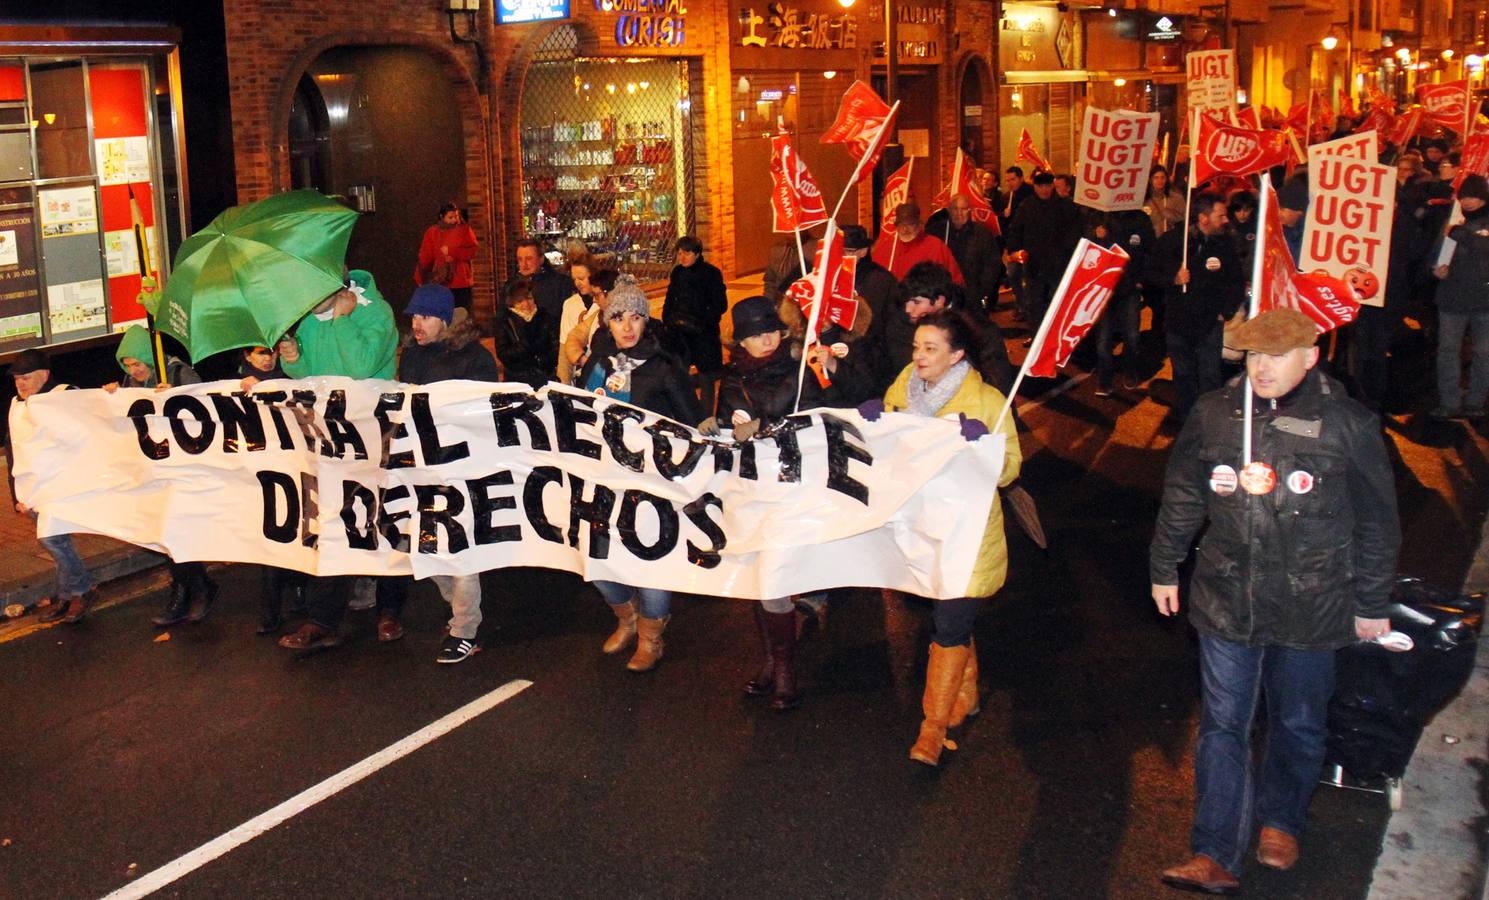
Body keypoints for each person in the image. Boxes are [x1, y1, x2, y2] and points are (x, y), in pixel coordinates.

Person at [1150, 308, 1400, 895]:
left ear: (1311, 356)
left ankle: (1281, 820)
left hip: (1314, 601)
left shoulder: (1348, 424)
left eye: (1277, 355)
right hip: (1226, 596)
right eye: (1254, 355)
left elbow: (1377, 523)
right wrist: (1165, 564)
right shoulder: (1215, 414)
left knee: (1298, 720)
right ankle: (1215, 850)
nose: (1261, 367)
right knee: (1223, 725)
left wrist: (1369, 600)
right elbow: (1184, 490)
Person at [859, 309, 1021, 765]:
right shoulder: (902, 388)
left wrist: (983, 447)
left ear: (957, 354)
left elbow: (1010, 469)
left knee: (948, 626)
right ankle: (964, 693)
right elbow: (890, 447)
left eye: (931, 348)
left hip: (966, 540)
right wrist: (875, 423)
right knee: (953, 622)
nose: (919, 356)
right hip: (920, 532)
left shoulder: (988, 401)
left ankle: (931, 728)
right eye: (916, 347)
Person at [701, 296, 871, 710]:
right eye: (753, 335)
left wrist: (774, 425)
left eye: (770, 331)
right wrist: (714, 426)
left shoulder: (800, 369)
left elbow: (842, 406)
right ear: (739, 341)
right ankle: (772, 660)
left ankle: (783, 669)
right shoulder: (734, 378)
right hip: (755, 494)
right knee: (763, 582)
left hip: (795, 490)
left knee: (775, 578)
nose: (764, 340)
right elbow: (730, 428)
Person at [366, 283, 501, 663]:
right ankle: (458, 612)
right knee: (426, 549)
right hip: (420, 466)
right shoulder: (412, 355)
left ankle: (464, 629)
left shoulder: (475, 358)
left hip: (460, 468)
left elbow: (489, 413)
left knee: (460, 550)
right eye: (412, 316)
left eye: (424, 316)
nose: (417, 323)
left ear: (443, 318)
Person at [577, 276, 703, 672]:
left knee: (651, 562)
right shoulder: (598, 366)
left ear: (646, 321)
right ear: (607, 323)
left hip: (653, 484)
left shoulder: (664, 367)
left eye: (635, 317)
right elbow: (581, 419)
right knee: (598, 558)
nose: (628, 326)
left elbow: (692, 425)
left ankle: (651, 637)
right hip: (605, 480)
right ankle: (627, 618)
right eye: (618, 318)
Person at [104, 326, 216, 627]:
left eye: (138, 363)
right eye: (127, 365)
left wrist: (179, 398)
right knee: (167, 534)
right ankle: (193, 588)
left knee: (179, 531)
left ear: (150, 359)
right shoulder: (131, 383)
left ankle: (193, 591)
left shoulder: (179, 375)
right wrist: (113, 398)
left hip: (186, 470)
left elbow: (207, 411)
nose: (134, 370)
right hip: (157, 471)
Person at [6, 349, 94, 624]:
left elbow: (94, 428)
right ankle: (69, 595)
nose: (20, 384)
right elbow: (14, 452)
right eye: (17, 379)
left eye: (26, 378)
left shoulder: (66, 396)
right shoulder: (18, 407)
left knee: (53, 539)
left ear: (43, 376)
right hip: (34, 493)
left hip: (62, 488)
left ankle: (79, 591)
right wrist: (16, 497)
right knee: (57, 541)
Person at [1148, 192, 1246, 421]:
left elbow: (1236, 282)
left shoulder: (1224, 244)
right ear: (1203, 218)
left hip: (1210, 323)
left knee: (1210, 375)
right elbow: (1150, 272)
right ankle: (1187, 420)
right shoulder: (1174, 241)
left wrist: (1226, 311)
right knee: (1183, 375)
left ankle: (1208, 422)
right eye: (1220, 215)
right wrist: (1173, 279)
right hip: (1178, 322)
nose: (1225, 220)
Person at [1430, 174, 1489, 418]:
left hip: (1484, 300)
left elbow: (1483, 247)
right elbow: (1435, 251)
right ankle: (1449, 401)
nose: (1468, 201)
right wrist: (1436, 268)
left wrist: (1459, 233)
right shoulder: (1453, 220)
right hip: (1452, 297)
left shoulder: (1468, 225)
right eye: (1464, 196)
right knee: (1447, 351)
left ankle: (1476, 400)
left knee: (1484, 353)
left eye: (1473, 197)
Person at [279, 269, 397, 381]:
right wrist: (295, 359)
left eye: (315, 289)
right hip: (325, 401)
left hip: (370, 401)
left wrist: (341, 320)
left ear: (337, 283)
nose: (309, 299)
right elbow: (305, 377)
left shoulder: (376, 311)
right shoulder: (310, 321)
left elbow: (361, 368)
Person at [1087, 208, 1156, 396]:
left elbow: (1150, 250)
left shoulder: (1141, 218)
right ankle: (1104, 380)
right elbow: (1085, 248)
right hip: (1105, 288)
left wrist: (1141, 279)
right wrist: (1095, 235)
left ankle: (1130, 370)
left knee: (1132, 336)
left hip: (1130, 287)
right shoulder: (1099, 215)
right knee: (1103, 339)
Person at [1005, 171, 1083, 333]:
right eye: (1040, 186)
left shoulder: (1065, 206)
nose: (1044, 190)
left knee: (1058, 303)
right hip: (1034, 264)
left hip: (1059, 264)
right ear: (1035, 187)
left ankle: (1057, 337)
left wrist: (1067, 252)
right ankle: (1037, 337)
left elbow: (1074, 231)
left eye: (1047, 186)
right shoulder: (1027, 207)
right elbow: (1016, 230)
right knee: (1035, 305)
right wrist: (1014, 249)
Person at [662, 235, 729, 404]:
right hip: (679, 333)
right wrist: (668, 319)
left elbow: (720, 305)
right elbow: (670, 298)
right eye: (679, 253)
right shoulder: (677, 272)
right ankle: (685, 410)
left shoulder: (711, 273)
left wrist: (702, 321)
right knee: (679, 375)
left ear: (697, 254)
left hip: (703, 334)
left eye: (687, 253)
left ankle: (706, 415)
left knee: (706, 378)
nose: (682, 257)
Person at [925, 194, 1004, 311]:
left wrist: (981, 291)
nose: (959, 213)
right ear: (949, 211)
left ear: (970, 210)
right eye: (955, 209)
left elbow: (992, 264)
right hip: (945, 296)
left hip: (973, 295)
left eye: (963, 209)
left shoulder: (982, 233)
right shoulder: (939, 232)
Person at [872, 202, 965, 283]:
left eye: (910, 224)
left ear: (919, 224)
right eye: (901, 225)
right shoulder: (885, 249)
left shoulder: (935, 247)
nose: (905, 229)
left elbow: (955, 281)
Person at [414, 201, 479, 311]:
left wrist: (452, 252)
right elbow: (425, 257)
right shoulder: (433, 232)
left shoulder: (464, 230)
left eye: (456, 216)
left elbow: (473, 251)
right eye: (450, 217)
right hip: (442, 281)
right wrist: (420, 277)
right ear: (441, 217)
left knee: (459, 316)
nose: (454, 220)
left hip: (461, 282)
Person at [493, 279, 557, 388]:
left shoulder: (545, 317)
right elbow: (503, 354)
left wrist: (543, 361)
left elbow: (555, 347)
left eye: (529, 298)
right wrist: (525, 344)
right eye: (520, 301)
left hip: (545, 378)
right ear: (511, 302)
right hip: (516, 381)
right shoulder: (505, 322)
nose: (526, 304)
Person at [513, 237, 575, 349]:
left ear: (541, 259)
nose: (524, 264)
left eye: (529, 259)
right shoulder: (511, 286)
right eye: (520, 259)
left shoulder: (559, 283)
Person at [560, 266, 618, 385]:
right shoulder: (597, 316)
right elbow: (573, 337)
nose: (595, 301)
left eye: (597, 296)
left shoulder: (624, 323)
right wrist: (582, 359)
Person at [1145, 166, 1184, 238]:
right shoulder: (1145, 199)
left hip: (1170, 239)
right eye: (1156, 178)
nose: (1160, 181)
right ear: (1150, 180)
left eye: (1162, 177)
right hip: (1150, 239)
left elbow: (1184, 218)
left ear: (1166, 179)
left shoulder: (1176, 197)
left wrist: (1170, 214)